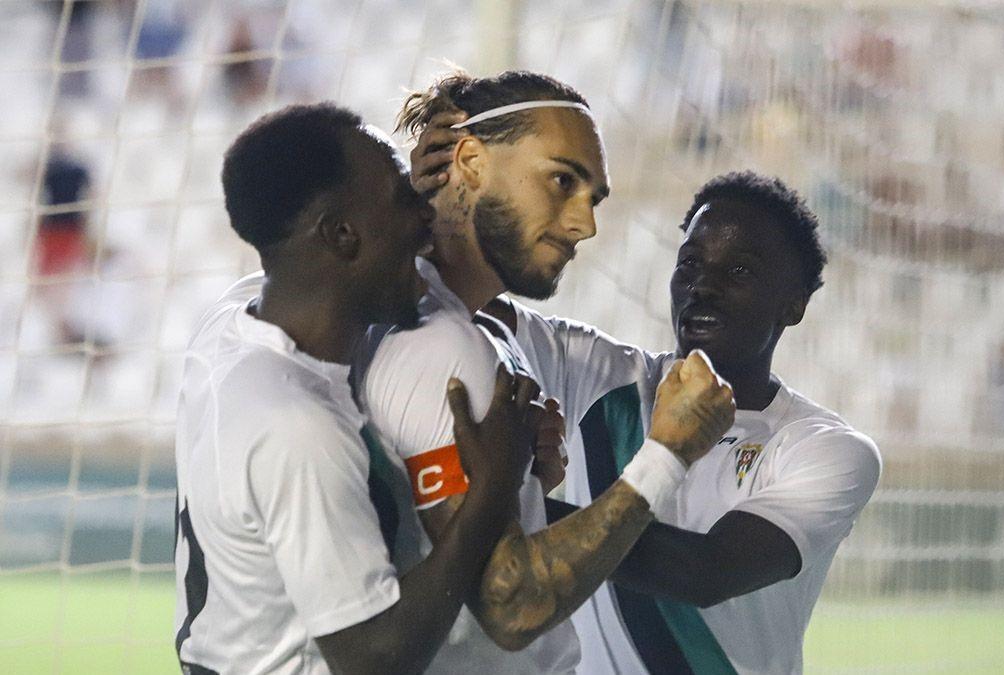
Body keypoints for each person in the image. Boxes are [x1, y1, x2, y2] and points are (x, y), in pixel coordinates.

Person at [357, 70, 736, 674]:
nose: (584, 224)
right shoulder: (439, 343)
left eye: (593, 198)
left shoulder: (436, 318)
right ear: (471, 161)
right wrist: (667, 453)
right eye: (562, 180)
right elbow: (510, 606)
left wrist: (526, 488)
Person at [173, 102, 535, 675]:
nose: (427, 217)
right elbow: (373, 658)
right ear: (342, 235)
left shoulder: (230, 324)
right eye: (403, 200)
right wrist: (493, 490)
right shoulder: (297, 425)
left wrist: (393, 197)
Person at [480, 171, 883, 674]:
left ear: (793, 304)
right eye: (690, 264)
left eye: (739, 271)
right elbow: (458, 299)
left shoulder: (824, 448)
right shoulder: (595, 373)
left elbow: (704, 573)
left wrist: (491, 507)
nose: (703, 287)